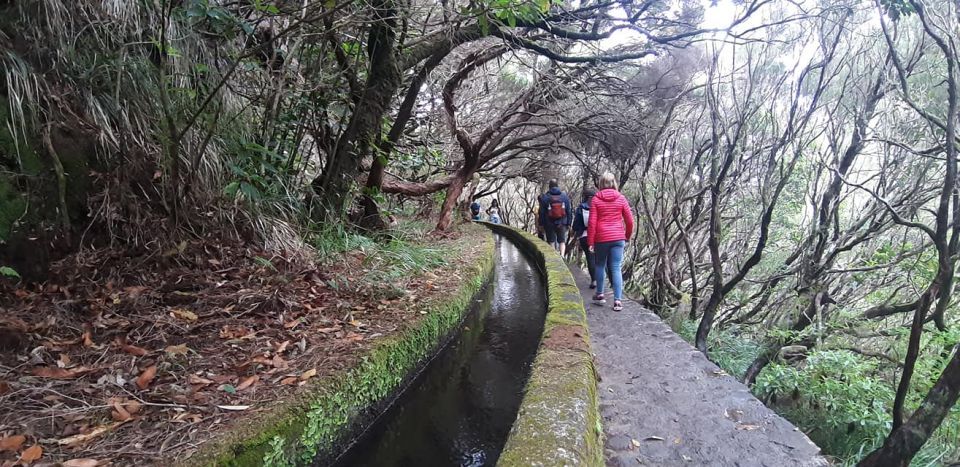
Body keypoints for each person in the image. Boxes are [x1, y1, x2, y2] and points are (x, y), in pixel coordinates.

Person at [587, 172, 634, 312]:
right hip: (618, 237)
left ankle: (600, 294)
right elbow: (630, 221)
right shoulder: (621, 199)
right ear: (614, 183)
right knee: (616, 267)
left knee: (600, 264)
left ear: (601, 183)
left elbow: (592, 222)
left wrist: (590, 241)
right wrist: (627, 236)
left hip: (601, 238)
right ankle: (618, 301)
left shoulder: (596, 199)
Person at [538, 179, 572, 255]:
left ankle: (554, 257)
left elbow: (542, 213)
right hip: (562, 222)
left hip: (549, 223)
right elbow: (569, 211)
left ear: (549, 187)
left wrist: (541, 224)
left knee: (551, 241)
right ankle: (562, 256)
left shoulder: (545, 197)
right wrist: (569, 223)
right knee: (562, 241)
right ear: (557, 186)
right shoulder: (564, 197)